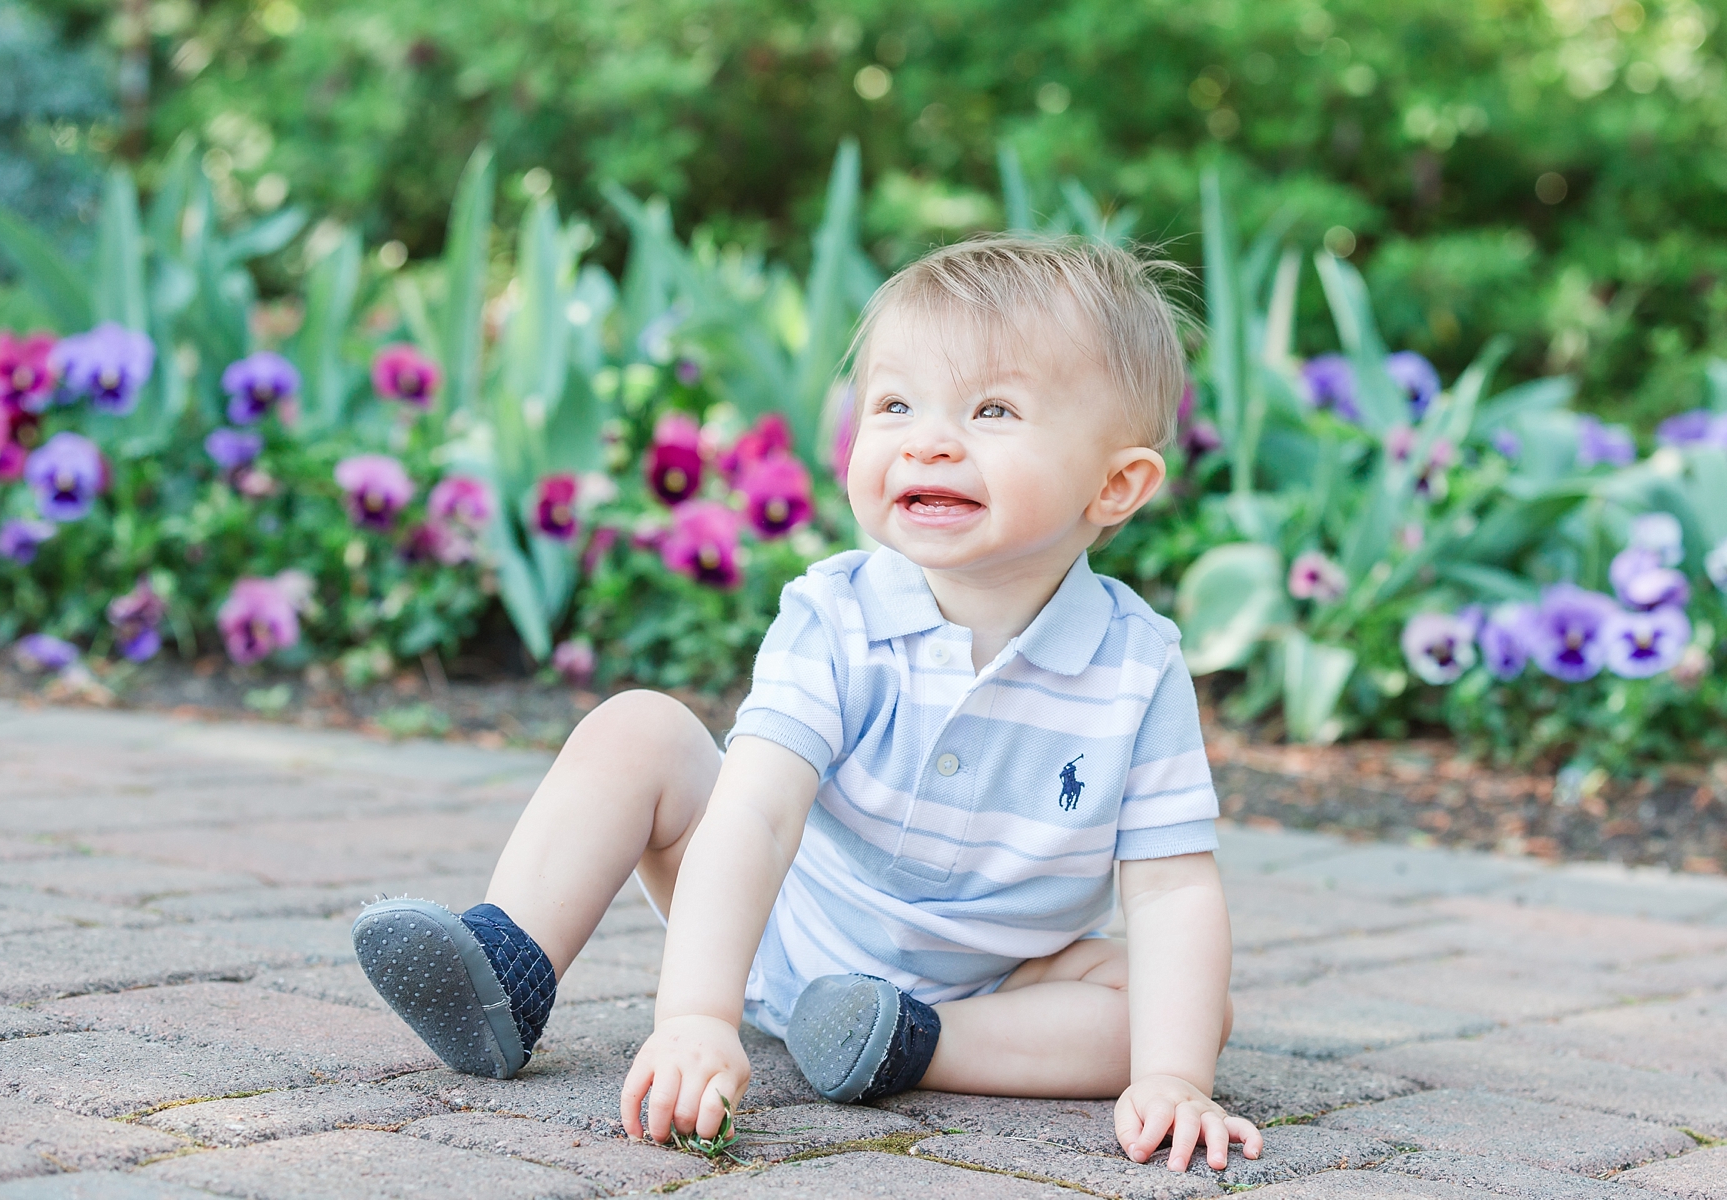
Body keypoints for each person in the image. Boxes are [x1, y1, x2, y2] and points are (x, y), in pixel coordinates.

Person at [352, 235, 1263, 1173]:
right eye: (896, 404)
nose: (929, 439)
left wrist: (1173, 1074)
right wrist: (698, 1017)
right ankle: (505, 971)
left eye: (993, 409)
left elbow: (1170, 886)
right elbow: (753, 811)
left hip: (996, 989)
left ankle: (903, 1043)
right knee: (640, 730)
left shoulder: (1136, 667)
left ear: (1117, 484)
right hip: (776, 927)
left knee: (1181, 1006)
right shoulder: (836, 614)